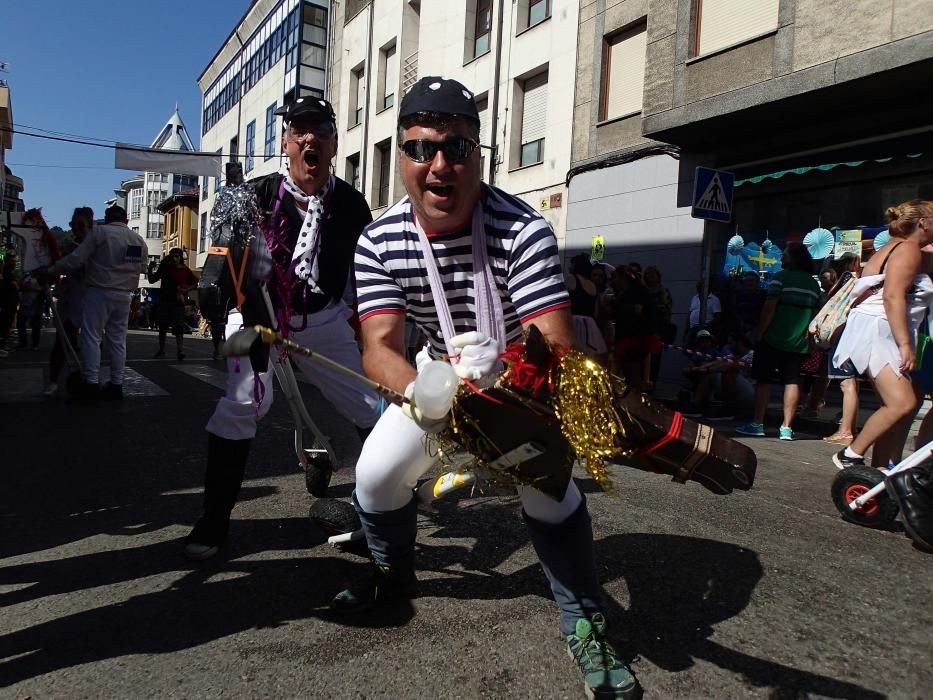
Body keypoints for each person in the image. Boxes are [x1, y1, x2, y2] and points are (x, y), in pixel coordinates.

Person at [339, 77, 642, 699]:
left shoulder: (523, 229)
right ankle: (391, 574)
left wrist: (503, 392)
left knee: (549, 491)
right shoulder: (379, 239)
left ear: (480, 155)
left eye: (457, 149)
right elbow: (379, 350)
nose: (439, 167)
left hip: (518, 383)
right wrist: (432, 395)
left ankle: (586, 623)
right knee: (372, 479)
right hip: (433, 378)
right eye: (421, 149)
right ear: (400, 156)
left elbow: (552, 346)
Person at [184, 96, 382, 561]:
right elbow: (224, 251)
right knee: (242, 402)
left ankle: (383, 513)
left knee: (371, 404)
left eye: (321, 131)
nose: (310, 138)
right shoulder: (252, 195)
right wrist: (214, 284)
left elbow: (366, 277)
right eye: (300, 130)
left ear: (334, 144)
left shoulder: (352, 207)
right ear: (286, 142)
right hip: (256, 315)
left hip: (322, 319)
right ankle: (213, 520)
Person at [832, 200, 933, 470]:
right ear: (923, 222)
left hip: (873, 329)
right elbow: (892, 297)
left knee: (897, 408)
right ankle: (850, 454)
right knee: (903, 403)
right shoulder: (909, 250)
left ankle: (879, 474)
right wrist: (905, 345)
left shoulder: (893, 248)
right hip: (880, 331)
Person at [43, 205, 148, 399]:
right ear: (125, 220)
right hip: (124, 295)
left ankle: (91, 383)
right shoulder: (137, 239)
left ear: (107, 219)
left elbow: (76, 260)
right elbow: (142, 268)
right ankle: (116, 384)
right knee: (117, 341)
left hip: (99, 291)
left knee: (91, 337)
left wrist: (50, 271)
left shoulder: (100, 233)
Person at [736, 242, 821, 440]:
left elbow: (769, 308)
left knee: (764, 381)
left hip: (772, 339)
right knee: (792, 382)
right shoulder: (812, 284)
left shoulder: (780, 278)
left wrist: (760, 333)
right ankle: (786, 428)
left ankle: (758, 423)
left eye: (784, 255)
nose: (781, 259)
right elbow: (816, 314)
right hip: (798, 343)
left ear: (793, 258)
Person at [45, 207, 92, 396]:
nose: (75, 229)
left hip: (91, 301)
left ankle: (90, 379)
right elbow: (54, 268)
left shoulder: (98, 247)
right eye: (73, 225)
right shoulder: (67, 249)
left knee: (92, 343)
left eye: (80, 225)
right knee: (62, 341)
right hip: (70, 300)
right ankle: (54, 380)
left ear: (90, 224)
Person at [822, 254, 862, 445]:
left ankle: (845, 431)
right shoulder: (863, 281)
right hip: (855, 333)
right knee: (851, 383)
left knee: (847, 384)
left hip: (842, 334)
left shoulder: (847, 280)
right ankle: (848, 427)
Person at [612, 265, 659, 391]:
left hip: (634, 339)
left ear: (623, 278)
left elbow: (637, 312)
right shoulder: (630, 292)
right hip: (633, 338)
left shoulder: (635, 292)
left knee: (632, 372)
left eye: (616, 277)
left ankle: (636, 402)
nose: (614, 281)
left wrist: (618, 306)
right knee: (630, 372)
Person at [148, 248, 197, 361]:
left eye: (176, 256)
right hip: (164, 300)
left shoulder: (185, 270)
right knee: (162, 327)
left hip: (177, 302)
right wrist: (150, 269)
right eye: (172, 256)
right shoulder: (165, 268)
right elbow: (152, 280)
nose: (174, 258)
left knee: (178, 327)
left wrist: (185, 290)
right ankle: (161, 350)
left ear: (180, 258)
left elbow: (195, 283)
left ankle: (180, 350)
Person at [565, 253, 608, 361]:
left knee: (573, 355)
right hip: (590, 324)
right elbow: (595, 311)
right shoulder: (592, 285)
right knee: (588, 357)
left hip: (575, 321)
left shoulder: (571, 279)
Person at [643, 265, 673, 386]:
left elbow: (668, 310)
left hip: (658, 328)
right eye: (648, 274)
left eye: (653, 274)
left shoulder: (664, 291)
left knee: (655, 358)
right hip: (643, 329)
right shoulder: (642, 290)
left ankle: (652, 383)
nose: (650, 276)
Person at [16, 272, 43, 350]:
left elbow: (39, 288)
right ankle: (23, 342)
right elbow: (20, 285)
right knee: (20, 323)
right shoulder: (26, 276)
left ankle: (35, 344)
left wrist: (27, 286)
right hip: (24, 303)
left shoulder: (40, 278)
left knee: (36, 326)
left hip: (35, 304)